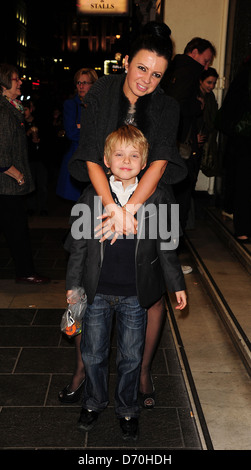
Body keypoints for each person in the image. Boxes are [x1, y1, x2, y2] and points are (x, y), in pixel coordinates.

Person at [62, 22, 187, 409]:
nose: (147, 80)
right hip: (99, 190)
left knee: (151, 285)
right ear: (126, 61)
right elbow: (89, 153)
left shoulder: (167, 105)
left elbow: (161, 161)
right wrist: (112, 206)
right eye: (142, 68)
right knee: (85, 279)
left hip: (152, 196)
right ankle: (83, 367)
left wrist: (132, 207)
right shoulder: (101, 90)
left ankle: (144, 370)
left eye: (157, 74)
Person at [65, 125, 187, 439]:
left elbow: (168, 245)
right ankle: (93, 402)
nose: (126, 160)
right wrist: (73, 286)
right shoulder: (91, 195)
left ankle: (127, 408)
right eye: (119, 154)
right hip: (97, 293)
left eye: (134, 155)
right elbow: (78, 245)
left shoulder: (159, 196)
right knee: (93, 353)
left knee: (131, 356)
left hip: (136, 293)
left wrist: (176, 285)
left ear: (145, 163)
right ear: (106, 160)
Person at [164, 37, 216, 255]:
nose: (205, 66)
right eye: (205, 60)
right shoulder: (188, 71)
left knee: (175, 195)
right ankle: (174, 241)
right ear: (194, 52)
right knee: (180, 195)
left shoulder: (176, 68)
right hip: (181, 147)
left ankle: (173, 239)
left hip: (177, 143)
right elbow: (178, 105)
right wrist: (197, 105)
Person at [0, 63, 50, 284]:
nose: (20, 82)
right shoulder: (3, 111)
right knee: (17, 230)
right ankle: (25, 271)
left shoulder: (12, 107)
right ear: (4, 82)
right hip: (6, 184)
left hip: (9, 184)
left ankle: (25, 270)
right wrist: (16, 174)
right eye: (15, 79)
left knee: (16, 229)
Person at [217, 57, 251, 242]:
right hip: (244, 140)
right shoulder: (245, 76)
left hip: (241, 141)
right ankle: (243, 228)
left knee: (243, 183)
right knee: (244, 184)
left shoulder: (243, 74)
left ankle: (243, 227)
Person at [56, 68, 98, 201]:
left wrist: (81, 126)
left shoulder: (100, 105)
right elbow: (72, 133)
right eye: (78, 83)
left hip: (98, 159)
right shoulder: (71, 105)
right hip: (78, 159)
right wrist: (89, 129)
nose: (81, 86)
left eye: (85, 82)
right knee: (80, 206)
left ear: (93, 84)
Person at [23, 99, 49, 215]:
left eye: (26, 109)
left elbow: (49, 136)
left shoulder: (39, 122)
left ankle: (43, 208)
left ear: (31, 110)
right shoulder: (21, 123)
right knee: (30, 184)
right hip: (28, 159)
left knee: (42, 185)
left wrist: (39, 140)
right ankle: (31, 208)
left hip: (41, 159)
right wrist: (27, 134)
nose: (24, 112)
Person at [198, 67, 219, 178]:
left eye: (214, 83)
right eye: (209, 82)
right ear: (201, 81)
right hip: (195, 139)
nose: (212, 86)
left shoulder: (210, 96)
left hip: (205, 138)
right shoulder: (195, 96)